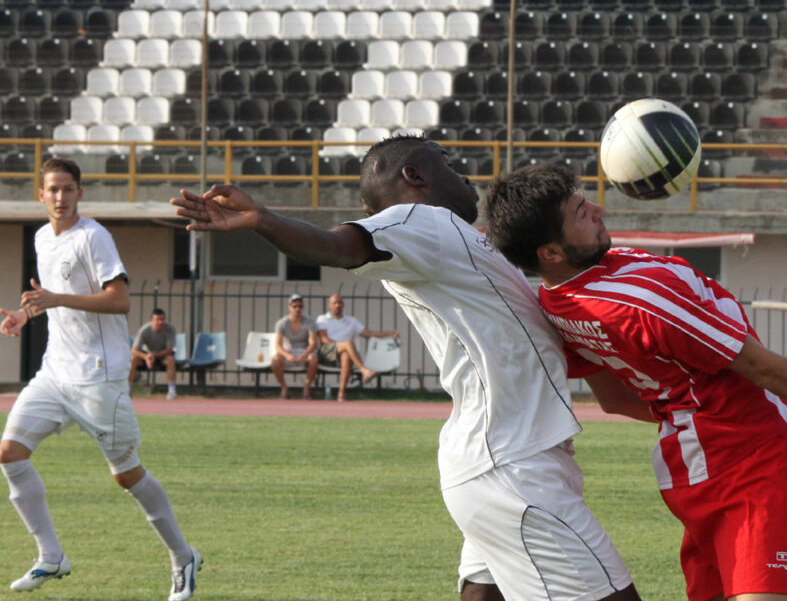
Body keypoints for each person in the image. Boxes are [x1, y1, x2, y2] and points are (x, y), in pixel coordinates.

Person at [172, 135, 640, 601]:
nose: (464, 176)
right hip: (512, 466)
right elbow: (340, 246)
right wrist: (264, 220)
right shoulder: (420, 221)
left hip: (498, 462)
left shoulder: (455, 242)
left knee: (484, 595)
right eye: (449, 164)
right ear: (414, 177)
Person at [484, 163, 787, 601]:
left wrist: (685, 409)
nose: (599, 211)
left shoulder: (557, 304)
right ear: (551, 251)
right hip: (750, 460)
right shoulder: (640, 299)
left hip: (687, 468)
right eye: (581, 213)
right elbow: (763, 368)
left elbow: (612, 398)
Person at [0, 158, 202, 600]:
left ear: (79, 192)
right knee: (10, 453)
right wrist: (26, 312)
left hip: (99, 378)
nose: (60, 197)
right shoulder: (40, 237)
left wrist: (54, 297)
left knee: (126, 475)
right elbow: (53, 299)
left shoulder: (94, 236)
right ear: (41, 194)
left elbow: (120, 300)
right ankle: (50, 556)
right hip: (55, 371)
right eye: (52, 189)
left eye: (68, 189)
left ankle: (183, 556)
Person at [315, 293, 399, 402]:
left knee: (346, 355)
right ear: (330, 305)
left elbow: (368, 333)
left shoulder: (351, 321)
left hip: (343, 354)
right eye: (334, 303)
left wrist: (389, 333)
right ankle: (364, 370)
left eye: (339, 302)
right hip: (326, 353)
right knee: (348, 343)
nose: (337, 305)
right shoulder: (322, 319)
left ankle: (341, 394)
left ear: (343, 304)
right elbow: (323, 339)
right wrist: (341, 344)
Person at [272, 293, 320, 400]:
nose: (297, 309)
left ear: (303, 307)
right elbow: (278, 345)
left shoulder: (309, 322)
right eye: (295, 306)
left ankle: (307, 388)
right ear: (289, 307)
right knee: (275, 360)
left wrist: (304, 355)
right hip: (289, 351)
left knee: (313, 359)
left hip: (304, 351)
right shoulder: (282, 323)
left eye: (300, 306)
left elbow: (313, 343)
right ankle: (284, 388)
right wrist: (287, 355)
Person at [129, 307, 180, 399]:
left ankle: (171, 390)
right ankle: (128, 389)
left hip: (162, 357)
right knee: (133, 359)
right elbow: (134, 350)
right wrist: (146, 357)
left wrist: (154, 356)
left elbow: (169, 349)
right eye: (157, 319)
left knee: (170, 359)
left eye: (162, 319)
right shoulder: (144, 330)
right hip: (146, 357)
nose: (160, 322)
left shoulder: (170, 329)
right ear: (151, 320)